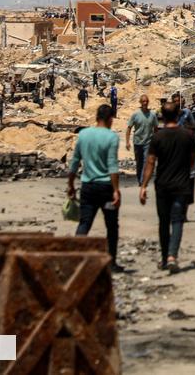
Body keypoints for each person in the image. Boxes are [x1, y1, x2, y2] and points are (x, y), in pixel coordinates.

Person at [139, 103, 195, 273]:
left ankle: (165, 258)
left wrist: (143, 185)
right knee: (177, 220)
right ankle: (172, 255)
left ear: (162, 117)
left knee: (163, 222)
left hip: (162, 185)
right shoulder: (187, 136)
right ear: (178, 115)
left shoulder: (157, 137)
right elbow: (193, 160)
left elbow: (150, 162)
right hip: (181, 184)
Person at [69, 104, 122, 270]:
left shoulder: (83, 135)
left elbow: (75, 161)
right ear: (109, 119)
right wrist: (116, 190)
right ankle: (111, 261)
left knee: (84, 223)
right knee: (112, 225)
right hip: (106, 188)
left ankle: (75, 259)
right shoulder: (112, 137)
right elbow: (112, 166)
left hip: (88, 186)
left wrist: (70, 184)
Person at [126, 95, 159, 184]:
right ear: (140, 102)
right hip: (137, 142)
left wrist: (156, 141)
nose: (145, 103)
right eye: (143, 101)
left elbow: (156, 128)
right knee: (139, 162)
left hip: (148, 142)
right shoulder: (135, 114)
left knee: (145, 161)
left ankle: (142, 181)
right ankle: (139, 177)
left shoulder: (152, 115)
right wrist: (127, 142)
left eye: (146, 101)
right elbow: (129, 127)